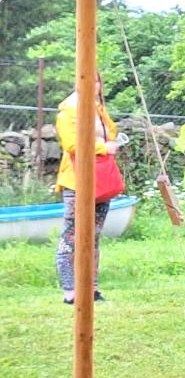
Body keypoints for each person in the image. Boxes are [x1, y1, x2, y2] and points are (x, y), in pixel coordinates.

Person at [55, 74, 119, 304]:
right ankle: (70, 289)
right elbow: (72, 143)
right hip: (76, 179)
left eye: (97, 81)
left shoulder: (98, 108)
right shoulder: (69, 110)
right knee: (72, 234)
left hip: (100, 179)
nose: (94, 85)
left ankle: (91, 287)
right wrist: (103, 147)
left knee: (94, 235)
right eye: (89, 80)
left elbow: (111, 131)